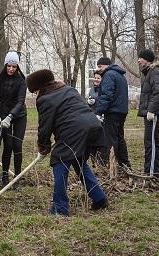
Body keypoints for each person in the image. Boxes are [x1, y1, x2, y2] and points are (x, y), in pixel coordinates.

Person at [26, 69, 108, 216]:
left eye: (35, 91)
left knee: (59, 162)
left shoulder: (45, 99)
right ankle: (99, 197)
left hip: (73, 132)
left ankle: (60, 208)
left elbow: (45, 127)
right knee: (79, 161)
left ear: (40, 88)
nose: (35, 95)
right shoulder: (68, 89)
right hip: (93, 127)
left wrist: (43, 147)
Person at [0, 51, 27, 187]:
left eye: (14, 66)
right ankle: (5, 176)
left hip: (19, 116)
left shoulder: (22, 81)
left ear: (17, 67)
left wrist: (11, 116)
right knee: (8, 145)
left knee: (17, 146)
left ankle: (17, 177)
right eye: (9, 66)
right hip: (3, 114)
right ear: (5, 65)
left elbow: (20, 101)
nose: (11, 69)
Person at [93, 57, 132, 170]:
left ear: (106, 65)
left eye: (100, 66)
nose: (98, 69)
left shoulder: (109, 75)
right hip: (121, 111)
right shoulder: (120, 75)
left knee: (109, 139)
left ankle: (106, 166)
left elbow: (106, 95)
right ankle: (124, 164)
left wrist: (99, 112)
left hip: (112, 112)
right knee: (120, 138)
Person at [137, 49, 159, 179]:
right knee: (151, 140)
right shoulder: (151, 72)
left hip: (152, 114)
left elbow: (158, 93)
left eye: (141, 58)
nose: (139, 60)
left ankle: (152, 173)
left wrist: (151, 110)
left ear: (147, 59)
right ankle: (153, 171)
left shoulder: (155, 72)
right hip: (150, 113)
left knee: (152, 141)